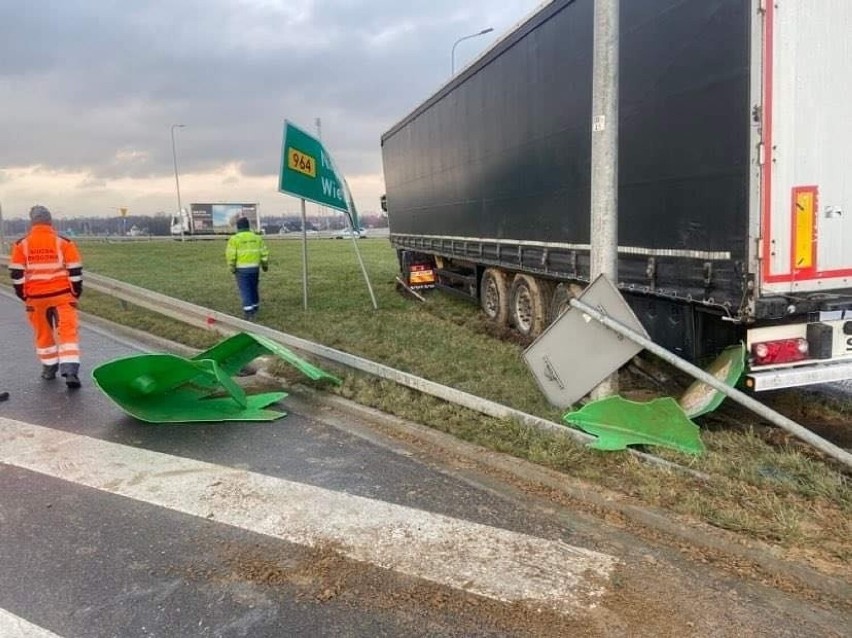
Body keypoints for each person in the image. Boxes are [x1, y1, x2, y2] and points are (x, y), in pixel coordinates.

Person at [9, 205, 84, 389]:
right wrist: (76, 291)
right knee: (68, 331)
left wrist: (23, 295)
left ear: (32, 222)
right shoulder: (64, 243)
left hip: (35, 299)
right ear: (50, 222)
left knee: (43, 334)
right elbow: (75, 271)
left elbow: (17, 275)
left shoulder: (21, 245)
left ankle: (49, 369)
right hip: (62, 296)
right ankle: (70, 371)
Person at [225, 216, 269, 320]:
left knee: (245, 290)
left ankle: (249, 312)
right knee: (254, 288)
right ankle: (255, 306)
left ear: (238, 227)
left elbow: (231, 255)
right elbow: (264, 253)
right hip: (255, 268)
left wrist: (232, 268)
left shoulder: (234, 239)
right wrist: (265, 265)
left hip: (241, 270)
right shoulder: (257, 238)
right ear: (248, 226)